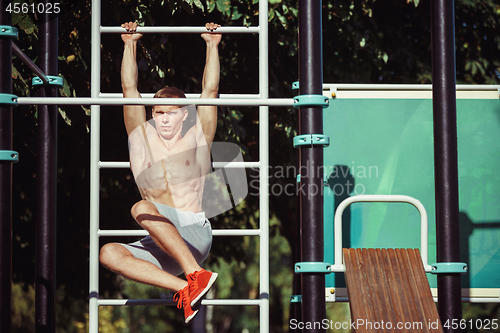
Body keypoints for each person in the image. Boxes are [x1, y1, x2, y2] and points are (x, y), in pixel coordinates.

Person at [99, 21, 221, 324]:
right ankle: (186, 288)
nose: (164, 119)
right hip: (162, 240)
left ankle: (196, 274)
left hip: (193, 234)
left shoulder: (197, 140)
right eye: (158, 113)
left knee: (141, 207)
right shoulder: (141, 141)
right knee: (109, 254)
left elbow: (211, 91)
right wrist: (129, 44)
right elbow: (129, 89)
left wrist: (212, 45)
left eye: (171, 113)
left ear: (184, 115)